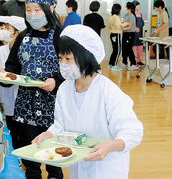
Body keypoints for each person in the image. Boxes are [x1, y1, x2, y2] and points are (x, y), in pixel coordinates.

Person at [32, 25, 144, 179]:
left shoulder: (108, 91)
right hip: (78, 165)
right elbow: (60, 125)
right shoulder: (64, 89)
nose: (63, 63)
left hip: (107, 169)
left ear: (86, 56)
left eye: (68, 58)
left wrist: (109, 146)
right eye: (60, 58)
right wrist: (49, 134)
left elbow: (132, 131)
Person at [4, 0, 64, 179]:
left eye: (37, 9)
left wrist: (55, 80)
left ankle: (55, 175)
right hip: (25, 105)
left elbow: (69, 69)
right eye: (28, 10)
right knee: (31, 154)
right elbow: (12, 65)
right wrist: (6, 77)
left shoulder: (60, 36)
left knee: (54, 154)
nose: (32, 14)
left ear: (50, 9)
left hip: (53, 106)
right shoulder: (22, 36)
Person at [0, 16, 27, 149]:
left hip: (23, 98)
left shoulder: (25, 50)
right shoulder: (1, 51)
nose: (4, 31)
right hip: (7, 95)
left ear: (18, 33)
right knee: (12, 128)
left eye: (8, 28)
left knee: (24, 131)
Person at [120, 2, 139, 70]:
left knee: (129, 48)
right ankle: (124, 63)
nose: (125, 8)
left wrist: (123, 28)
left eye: (126, 7)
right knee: (124, 48)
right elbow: (124, 24)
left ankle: (134, 63)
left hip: (130, 34)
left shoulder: (132, 16)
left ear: (129, 8)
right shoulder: (125, 16)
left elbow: (130, 27)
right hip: (125, 33)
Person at [108, 3, 123, 71]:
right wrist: (125, 24)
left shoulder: (111, 17)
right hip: (116, 34)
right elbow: (118, 26)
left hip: (112, 34)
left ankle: (110, 64)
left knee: (114, 50)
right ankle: (114, 65)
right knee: (118, 50)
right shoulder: (116, 17)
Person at [132, 0, 145, 66]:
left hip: (140, 35)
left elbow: (143, 24)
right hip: (134, 35)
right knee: (134, 49)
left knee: (140, 48)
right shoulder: (132, 15)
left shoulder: (141, 15)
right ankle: (133, 61)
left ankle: (139, 60)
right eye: (138, 5)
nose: (139, 6)